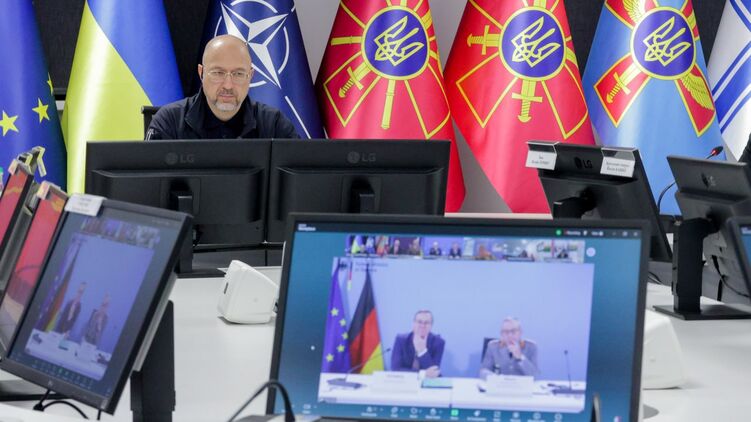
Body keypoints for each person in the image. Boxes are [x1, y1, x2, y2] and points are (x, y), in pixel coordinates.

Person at [147, 35, 299, 140]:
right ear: (201, 73)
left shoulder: (274, 125)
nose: (228, 85)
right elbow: (151, 178)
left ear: (250, 76)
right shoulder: (169, 122)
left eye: (238, 74)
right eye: (218, 73)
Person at [391, 310, 445, 378]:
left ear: (431, 326)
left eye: (426, 323)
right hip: (404, 381)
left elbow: (434, 372)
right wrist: (422, 374)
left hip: (427, 382)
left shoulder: (438, 343)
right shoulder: (401, 340)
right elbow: (395, 369)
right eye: (419, 322)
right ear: (414, 323)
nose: (422, 325)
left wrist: (422, 352)